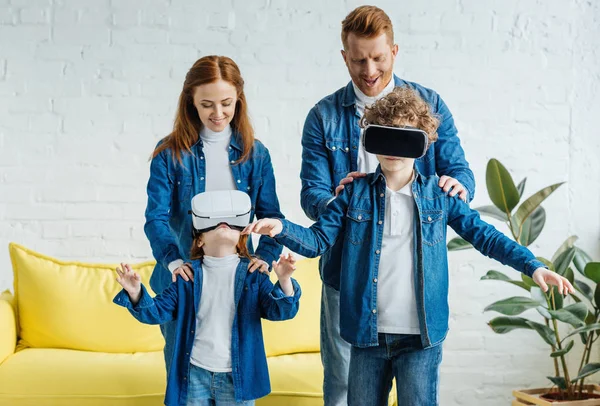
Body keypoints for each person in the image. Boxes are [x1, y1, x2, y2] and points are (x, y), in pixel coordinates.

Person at [245, 87, 574, 406]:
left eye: (403, 136)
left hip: (421, 339)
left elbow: (484, 235)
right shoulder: (353, 193)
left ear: (423, 143)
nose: (393, 147)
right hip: (367, 334)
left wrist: (534, 266)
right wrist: (280, 228)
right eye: (384, 135)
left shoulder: (439, 195)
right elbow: (318, 240)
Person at [299, 6, 475, 404]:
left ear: (394, 51)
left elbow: (461, 172)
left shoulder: (428, 104)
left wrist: (458, 186)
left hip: (410, 273)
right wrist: (342, 205)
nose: (369, 69)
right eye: (359, 59)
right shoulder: (323, 117)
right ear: (344, 56)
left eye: (378, 57)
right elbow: (311, 193)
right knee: (343, 381)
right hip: (347, 269)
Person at [144, 56, 284, 372]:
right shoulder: (169, 154)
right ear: (191, 102)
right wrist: (174, 260)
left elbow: (272, 215)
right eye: (207, 104)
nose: (218, 114)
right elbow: (156, 217)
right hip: (183, 281)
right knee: (184, 381)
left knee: (234, 381)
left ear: (239, 101)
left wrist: (267, 258)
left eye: (226, 103)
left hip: (237, 284)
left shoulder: (256, 154)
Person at [116, 191, 301, 406]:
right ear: (200, 241)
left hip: (237, 376)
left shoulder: (254, 274)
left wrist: (284, 279)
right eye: (212, 224)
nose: (223, 224)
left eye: (232, 224)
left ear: (242, 238)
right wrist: (135, 291)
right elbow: (156, 312)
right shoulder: (186, 276)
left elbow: (281, 312)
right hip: (194, 373)